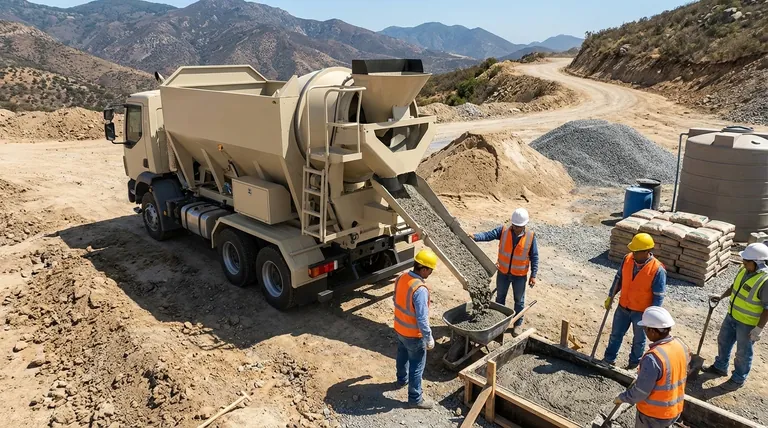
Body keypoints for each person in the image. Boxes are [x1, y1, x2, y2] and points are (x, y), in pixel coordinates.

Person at [704, 242, 768, 390]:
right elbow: (734, 287)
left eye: (746, 262)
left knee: (743, 353)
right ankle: (720, 366)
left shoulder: (765, 281)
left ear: (757, 263)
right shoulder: (743, 270)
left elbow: (767, 308)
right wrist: (720, 296)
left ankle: (738, 378)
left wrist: (758, 329)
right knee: (723, 341)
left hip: (747, 324)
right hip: (731, 316)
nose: (743, 263)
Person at [614, 306, 690, 428]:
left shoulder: (653, 358)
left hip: (654, 416)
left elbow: (641, 392)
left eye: (645, 329)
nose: (644, 331)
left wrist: (623, 397)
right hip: (674, 410)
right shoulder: (680, 345)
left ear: (653, 331)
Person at [603, 233, 667, 370]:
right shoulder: (627, 259)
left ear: (646, 251)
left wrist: (652, 317)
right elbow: (618, 279)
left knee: (639, 341)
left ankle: (634, 365)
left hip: (641, 313)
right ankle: (609, 359)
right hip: (623, 307)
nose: (633, 253)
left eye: (636, 251)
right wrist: (610, 296)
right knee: (615, 335)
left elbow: (659, 296)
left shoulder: (657, 269)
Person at [471, 208, 538, 336]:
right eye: (515, 225)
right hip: (503, 273)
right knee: (500, 298)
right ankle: (498, 323)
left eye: (520, 226)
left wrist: (533, 275)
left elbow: (534, 256)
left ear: (525, 225)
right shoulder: (503, 231)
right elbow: (488, 235)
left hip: (520, 276)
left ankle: (517, 324)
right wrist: (475, 237)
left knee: (519, 301)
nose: (517, 228)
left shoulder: (530, 236)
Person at [393, 248, 439, 409]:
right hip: (413, 334)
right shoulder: (420, 290)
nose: (430, 273)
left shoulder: (401, 278)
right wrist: (429, 338)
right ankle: (415, 398)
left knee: (402, 354)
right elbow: (422, 318)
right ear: (424, 269)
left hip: (399, 328)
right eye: (430, 270)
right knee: (417, 366)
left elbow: (396, 300)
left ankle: (401, 379)